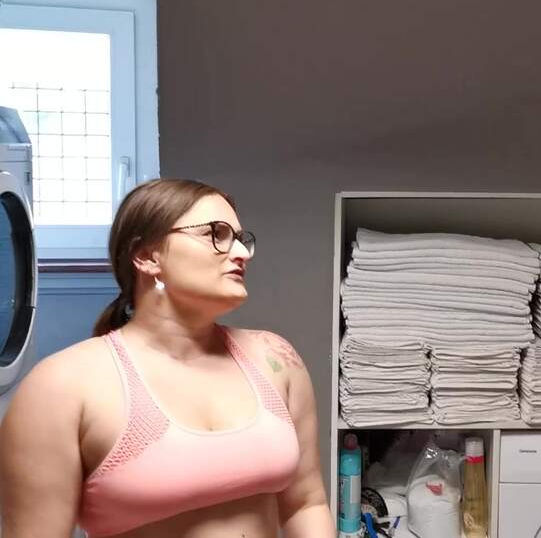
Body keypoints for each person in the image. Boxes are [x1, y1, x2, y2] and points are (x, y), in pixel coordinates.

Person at [0, 179, 335, 537]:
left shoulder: (275, 359)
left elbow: (306, 503)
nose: (242, 252)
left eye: (240, 238)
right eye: (216, 234)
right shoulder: (60, 386)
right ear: (147, 256)